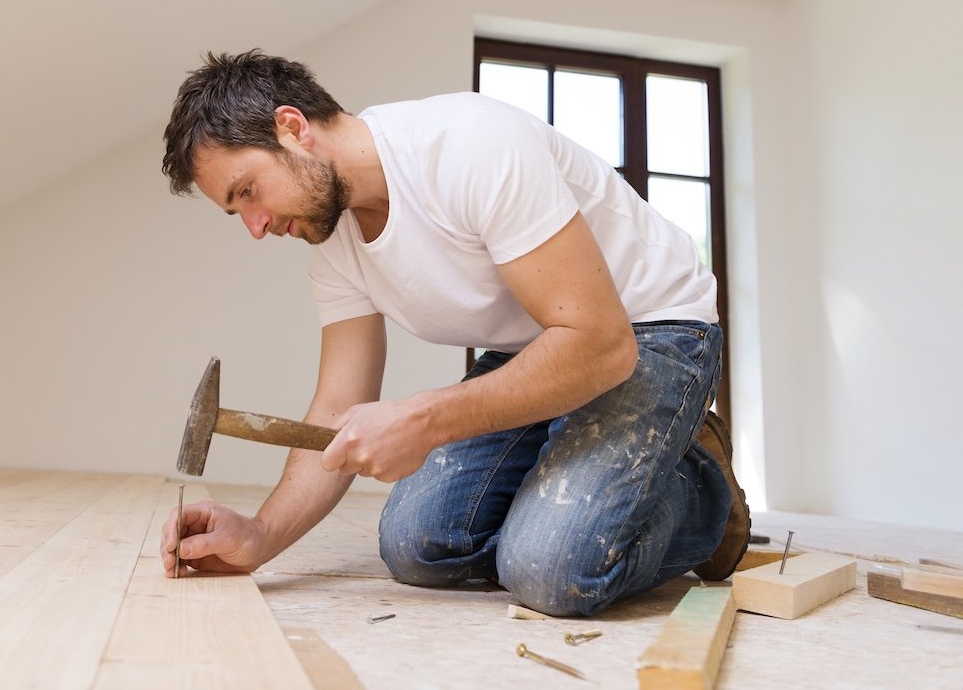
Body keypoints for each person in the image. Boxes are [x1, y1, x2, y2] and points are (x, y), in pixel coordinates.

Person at [158, 49, 749, 616]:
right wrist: (260, 537)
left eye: (248, 192)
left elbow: (601, 344)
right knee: (417, 545)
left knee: (551, 569)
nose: (256, 227)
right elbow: (338, 407)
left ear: (291, 127)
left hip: (646, 330)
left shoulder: (468, 146)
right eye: (238, 213)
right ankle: (582, 477)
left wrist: (424, 418)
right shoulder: (334, 246)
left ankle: (699, 488)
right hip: (539, 345)